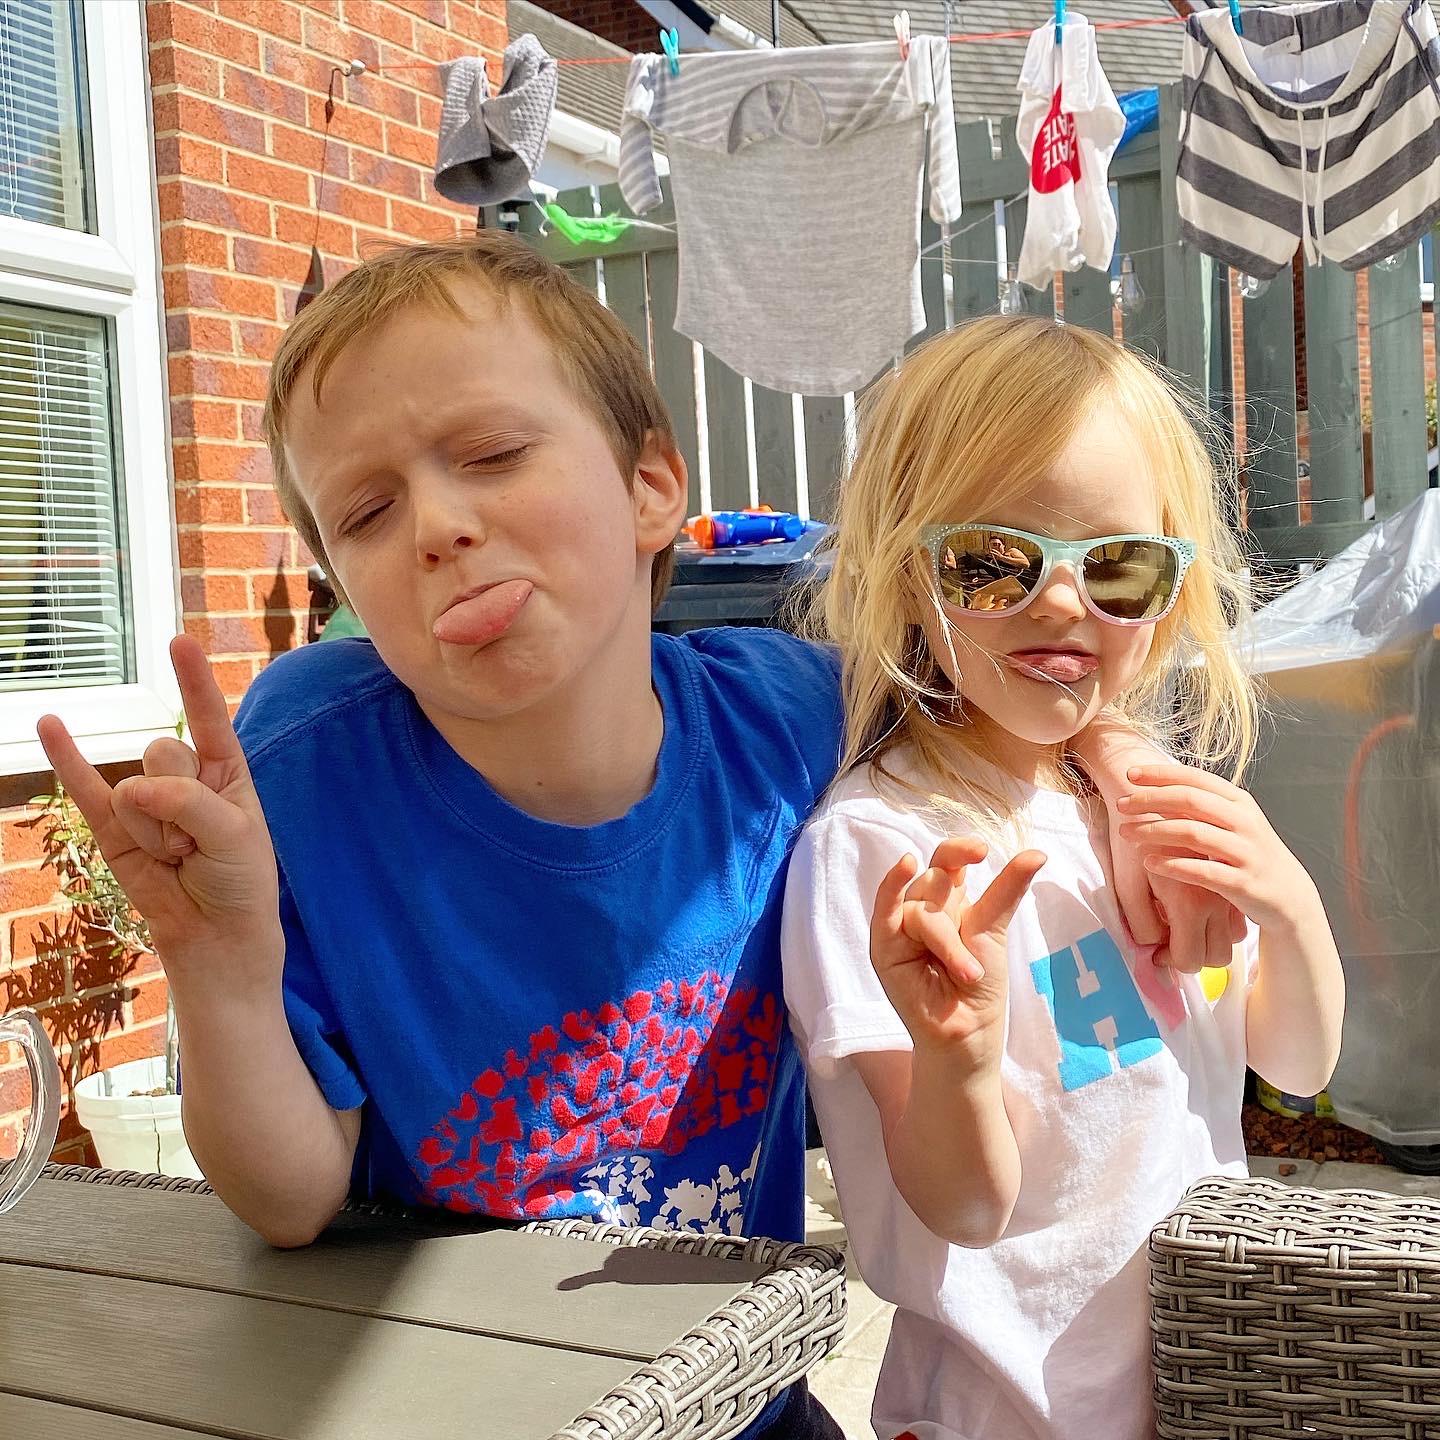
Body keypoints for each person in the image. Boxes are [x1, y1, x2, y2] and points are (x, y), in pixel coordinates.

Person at [37, 240, 1224, 1438]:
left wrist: (1122, 766)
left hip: (737, 1403)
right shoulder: (303, 767)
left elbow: (1014, 684)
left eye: (492, 455)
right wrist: (217, 970)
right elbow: (291, 1201)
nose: (438, 525)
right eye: (365, 511)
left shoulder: (796, 714)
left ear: (653, 486)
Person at [781, 315, 1345, 1440]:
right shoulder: (888, 849)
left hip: (1200, 1376)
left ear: (1173, 587)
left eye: (1120, 565)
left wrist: (1290, 904)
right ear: (905, 568)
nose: (1059, 601)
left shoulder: (1142, 809)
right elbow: (964, 1206)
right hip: (1004, 1411)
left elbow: (1297, 1060)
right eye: (990, 562)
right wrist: (957, 1054)